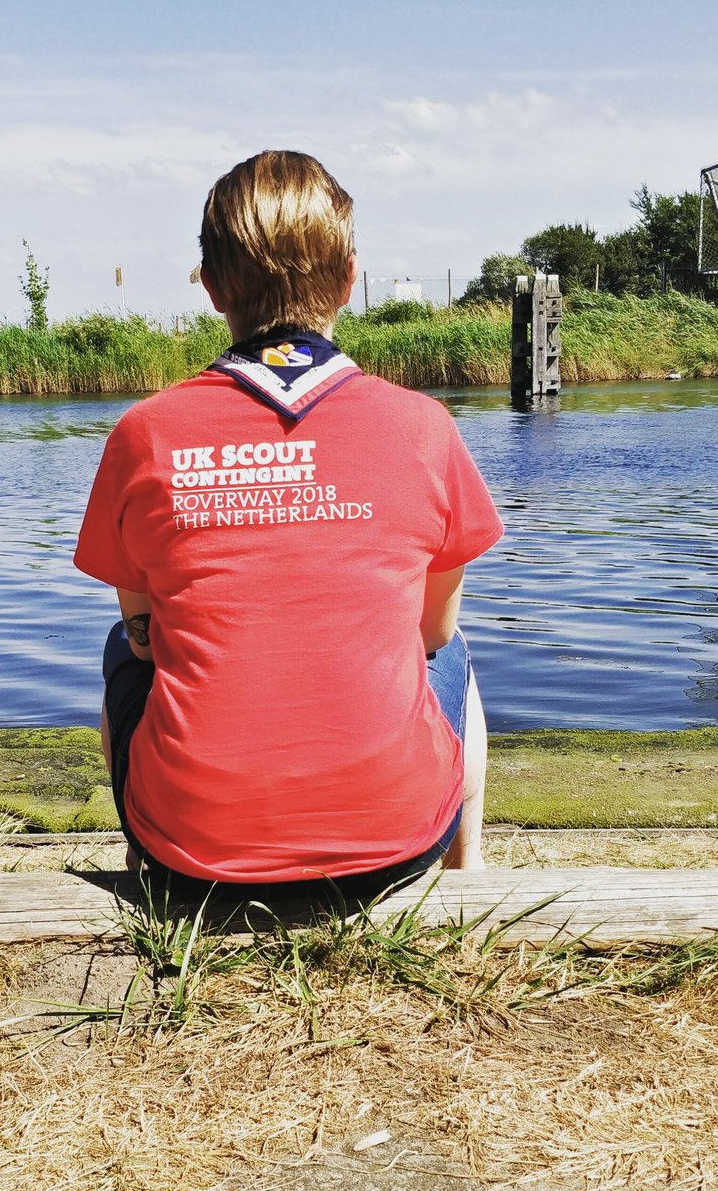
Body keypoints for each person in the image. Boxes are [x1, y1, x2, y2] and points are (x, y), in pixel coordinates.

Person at [74, 151, 503, 904]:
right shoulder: (424, 429)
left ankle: (144, 862)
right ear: (348, 279)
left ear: (210, 288)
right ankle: (465, 877)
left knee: (123, 649)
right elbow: (434, 633)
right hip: (396, 846)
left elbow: (142, 629)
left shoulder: (144, 433)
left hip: (194, 857)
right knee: (454, 651)